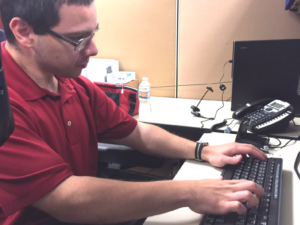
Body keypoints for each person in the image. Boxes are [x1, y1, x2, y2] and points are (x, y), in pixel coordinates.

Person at [0, 0, 267, 224]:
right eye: (78, 39)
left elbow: (136, 132)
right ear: (24, 32)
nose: (93, 49)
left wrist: (203, 150)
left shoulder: (70, 81)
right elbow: (67, 198)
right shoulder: (5, 106)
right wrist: (191, 191)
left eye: (93, 33)